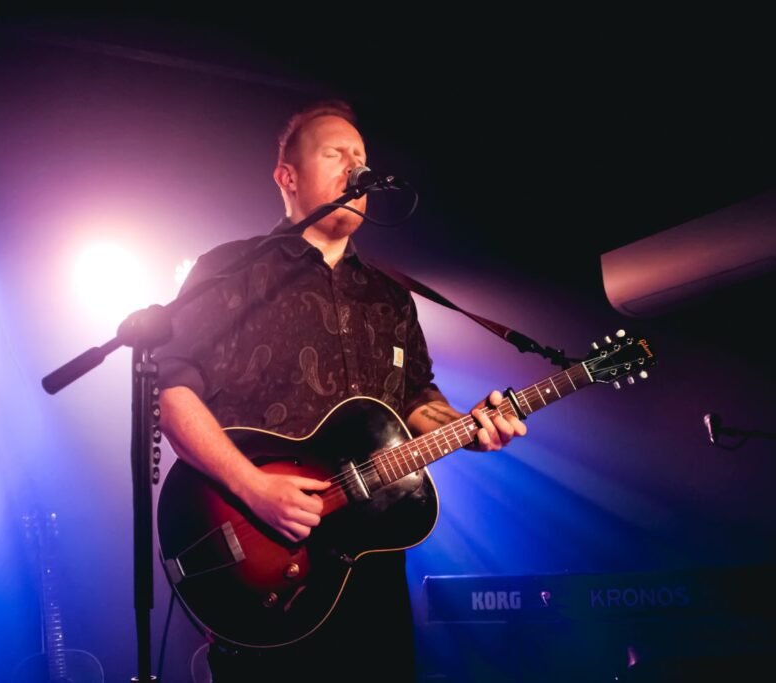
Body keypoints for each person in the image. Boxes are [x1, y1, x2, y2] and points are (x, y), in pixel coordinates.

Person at [154, 100, 526, 682]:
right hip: (266, 558)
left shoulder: (390, 295)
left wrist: (467, 424)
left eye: (362, 157)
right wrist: (253, 488)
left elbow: (417, 403)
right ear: (288, 176)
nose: (357, 167)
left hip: (369, 562)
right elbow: (172, 393)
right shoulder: (229, 272)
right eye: (336, 154)